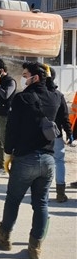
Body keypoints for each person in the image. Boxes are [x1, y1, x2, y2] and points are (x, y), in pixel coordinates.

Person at [0, 62, 61, 259]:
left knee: (13, 200)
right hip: (48, 160)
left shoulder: (22, 98)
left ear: (35, 77)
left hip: (25, 158)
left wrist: (9, 153)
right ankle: (35, 246)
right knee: (41, 203)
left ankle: (4, 237)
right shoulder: (55, 97)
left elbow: (12, 128)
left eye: (26, 74)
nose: (23, 78)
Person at [50, 68, 73, 203]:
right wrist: (69, 133)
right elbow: (65, 117)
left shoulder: (33, 94)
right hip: (56, 133)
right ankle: (60, 193)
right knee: (59, 161)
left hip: (37, 136)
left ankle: (41, 192)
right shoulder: (58, 95)